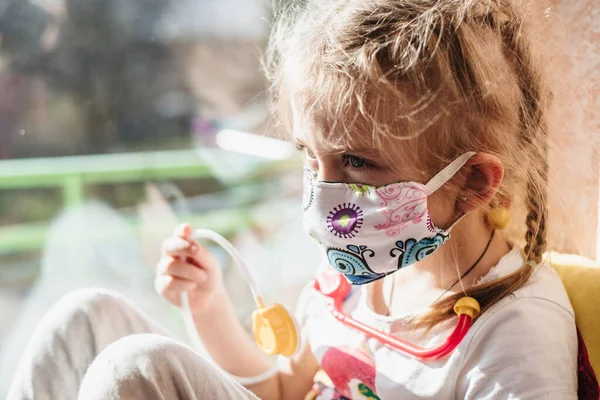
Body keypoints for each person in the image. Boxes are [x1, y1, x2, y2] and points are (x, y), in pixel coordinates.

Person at [8, 0, 581, 399]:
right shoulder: (362, 268)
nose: (324, 193)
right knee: (81, 320)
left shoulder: (516, 328)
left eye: (356, 163)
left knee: (132, 370)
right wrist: (208, 310)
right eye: (311, 156)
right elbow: (287, 388)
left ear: (474, 183)